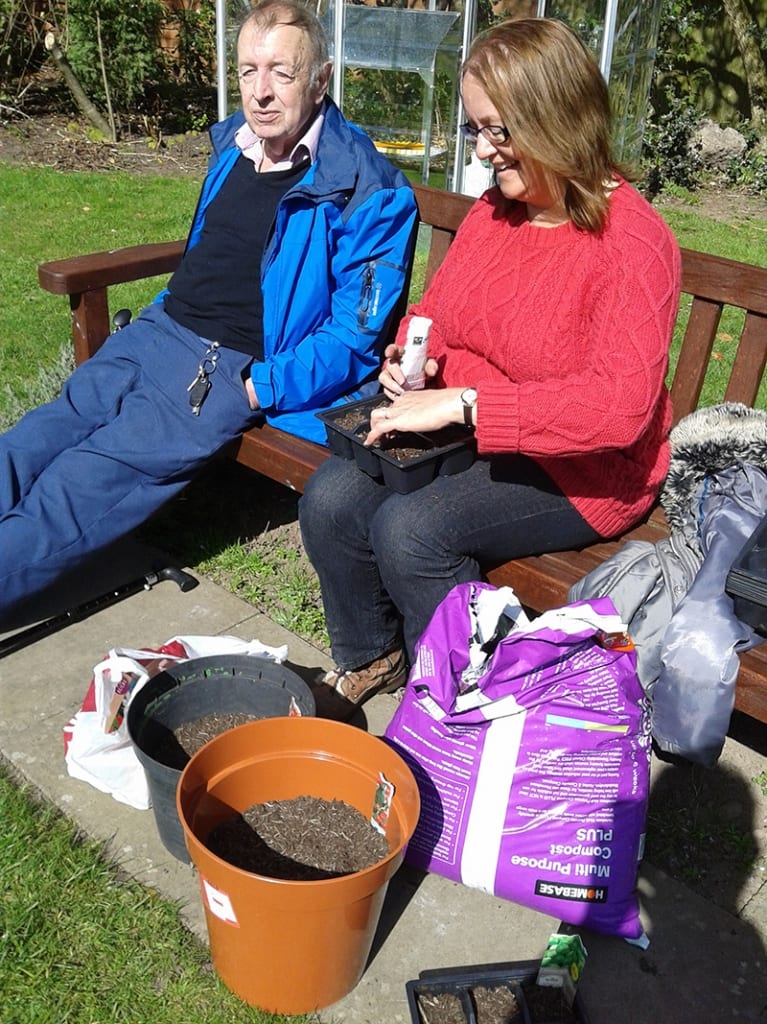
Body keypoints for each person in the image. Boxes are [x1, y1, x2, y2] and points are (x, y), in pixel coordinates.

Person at [299, 16, 682, 717]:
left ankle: (453, 702)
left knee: (412, 531)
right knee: (329, 500)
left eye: (495, 130)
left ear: (555, 119)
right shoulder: (495, 213)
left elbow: (619, 408)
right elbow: (436, 312)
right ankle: (371, 654)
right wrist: (412, 358)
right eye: (475, 128)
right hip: (479, 431)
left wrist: (465, 404)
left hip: (585, 468)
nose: (480, 151)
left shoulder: (632, 241)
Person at [0, 0, 417, 618]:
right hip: (157, 332)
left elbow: (352, 336)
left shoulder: (367, 189)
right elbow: (207, 254)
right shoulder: (235, 147)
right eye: (249, 71)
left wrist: (257, 389)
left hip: (223, 371)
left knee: (83, 482)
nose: (262, 92)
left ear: (321, 79)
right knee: (35, 437)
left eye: (282, 71)